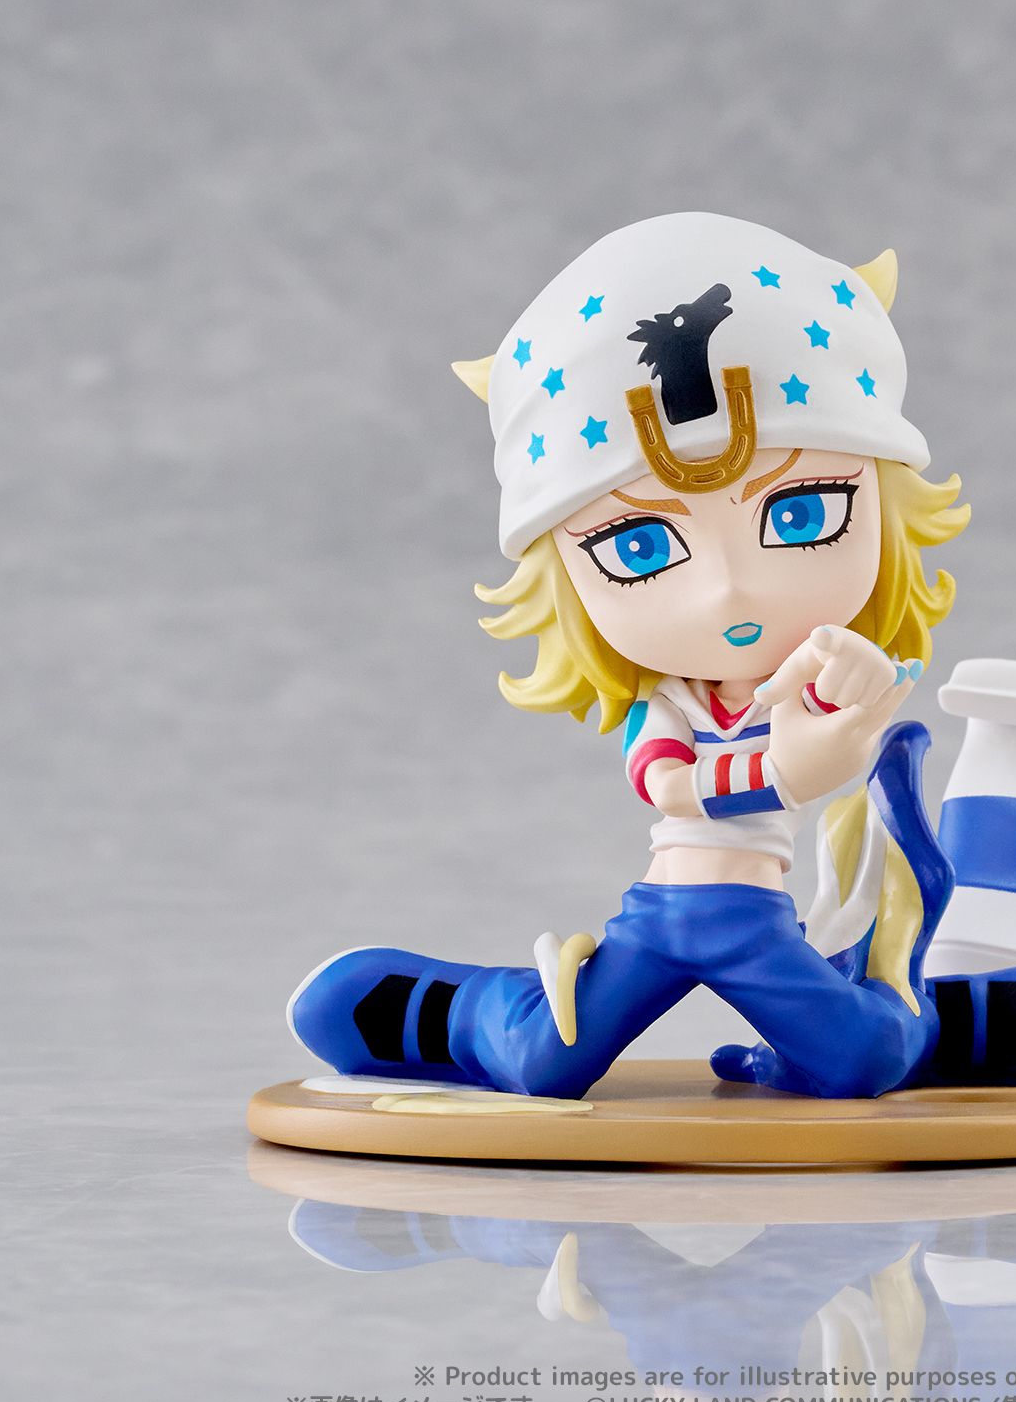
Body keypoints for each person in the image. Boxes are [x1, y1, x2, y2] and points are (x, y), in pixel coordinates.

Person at [288, 212, 970, 1098]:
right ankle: (459, 1009)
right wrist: (784, 771)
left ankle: (923, 998)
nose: (727, 592)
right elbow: (665, 784)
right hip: (665, 911)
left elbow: (862, 708)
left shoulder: (813, 678)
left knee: (863, 1064)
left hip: (758, 920)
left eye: (801, 514)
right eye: (639, 548)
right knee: (543, 1060)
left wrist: (863, 688)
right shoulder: (674, 705)